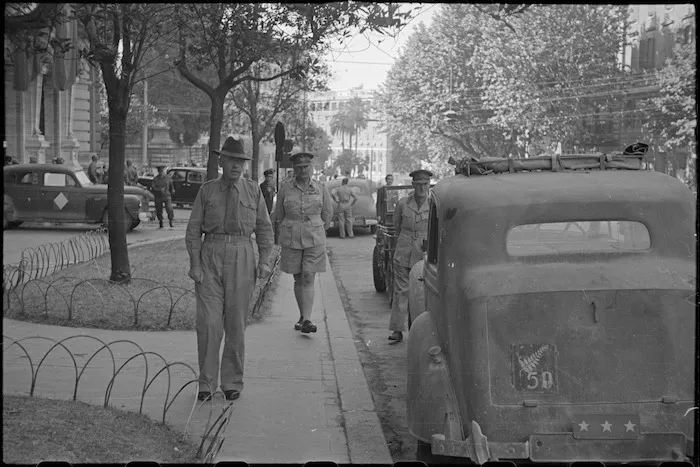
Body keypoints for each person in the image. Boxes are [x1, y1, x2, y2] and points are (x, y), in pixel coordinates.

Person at [185, 137, 273, 402]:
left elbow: (265, 228)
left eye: (241, 162)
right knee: (209, 324)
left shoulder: (253, 191)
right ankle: (206, 383)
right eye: (232, 160)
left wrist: (265, 260)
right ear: (221, 161)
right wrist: (195, 265)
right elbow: (193, 231)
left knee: (236, 324)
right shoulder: (207, 191)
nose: (237, 166)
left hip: (242, 255)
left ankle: (232, 381)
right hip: (211, 255)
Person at [274, 152, 333, 333]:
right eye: (299, 167)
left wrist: (316, 226)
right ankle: (302, 316)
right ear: (294, 169)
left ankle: (307, 319)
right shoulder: (285, 189)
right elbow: (279, 215)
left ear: (311, 167)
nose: (303, 170)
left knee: (308, 275)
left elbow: (327, 214)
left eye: (306, 166)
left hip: (314, 237)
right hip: (291, 237)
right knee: (298, 276)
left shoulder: (321, 188)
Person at [388, 169, 432, 344]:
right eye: (418, 185)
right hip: (404, 253)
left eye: (425, 185)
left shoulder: (434, 205)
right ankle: (397, 329)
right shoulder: (403, 204)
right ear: (413, 185)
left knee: (421, 294)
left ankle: (417, 330)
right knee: (401, 292)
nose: (422, 189)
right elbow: (397, 227)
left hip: (424, 255)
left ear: (429, 185)